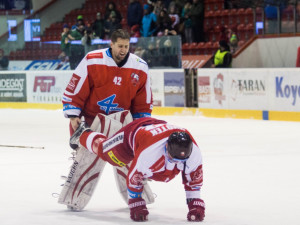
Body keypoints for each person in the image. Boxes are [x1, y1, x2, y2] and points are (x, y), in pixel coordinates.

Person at [70, 116, 205, 222]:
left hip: (155, 127)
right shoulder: (149, 152)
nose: (176, 162)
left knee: (165, 174)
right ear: (166, 147)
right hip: (132, 133)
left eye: (180, 161)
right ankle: (83, 133)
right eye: (172, 158)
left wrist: (194, 202)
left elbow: (193, 179)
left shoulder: (194, 153)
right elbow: (134, 176)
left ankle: (150, 168)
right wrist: (135, 202)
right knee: (108, 153)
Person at [62, 29, 153, 133]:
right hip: (90, 121)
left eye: (126, 46)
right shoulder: (93, 60)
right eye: (120, 46)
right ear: (112, 44)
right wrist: (73, 116)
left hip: (121, 124)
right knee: (83, 148)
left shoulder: (140, 66)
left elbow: (142, 99)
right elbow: (76, 88)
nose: (123, 50)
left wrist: (140, 122)